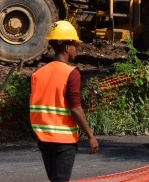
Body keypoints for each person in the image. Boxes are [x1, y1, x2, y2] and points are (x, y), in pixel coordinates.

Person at [29, 20, 99, 182]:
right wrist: (90, 136)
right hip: (64, 140)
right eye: (75, 46)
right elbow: (75, 108)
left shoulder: (38, 74)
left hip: (43, 138)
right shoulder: (71, 73)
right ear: (67, 48)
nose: (77, 50)